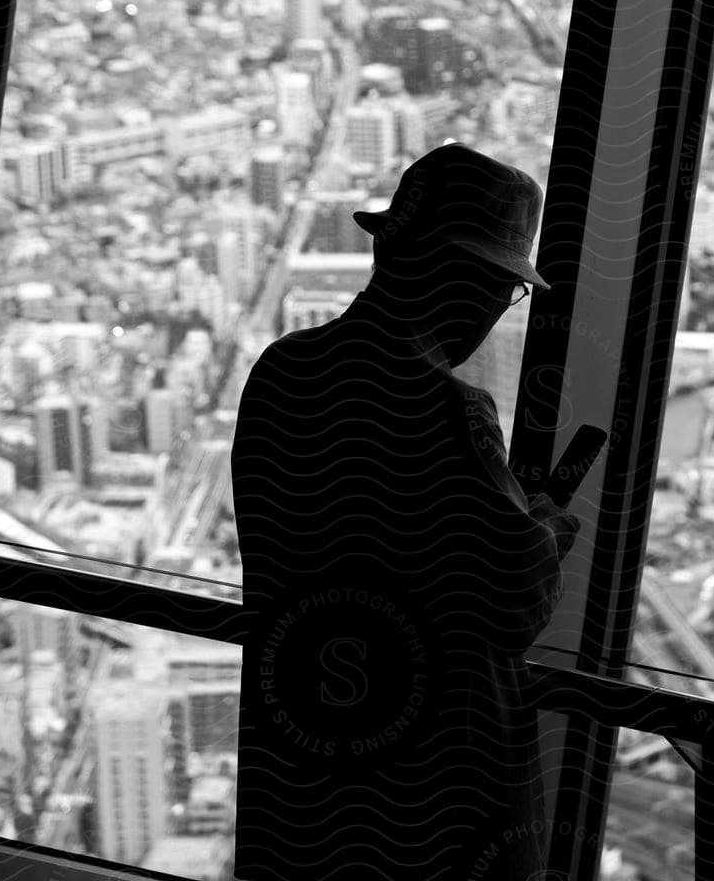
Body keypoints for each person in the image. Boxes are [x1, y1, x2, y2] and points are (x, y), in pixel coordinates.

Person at [233, 142, 582, 881]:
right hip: (432, 789)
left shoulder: (281, 371)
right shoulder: (448, 408)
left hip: (301, 752)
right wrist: (546, 524)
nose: (497, 309)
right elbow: (518, 605)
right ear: (470, 278)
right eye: (505, 289)